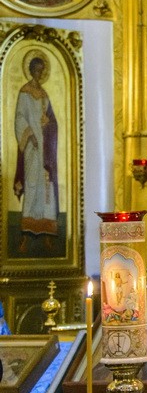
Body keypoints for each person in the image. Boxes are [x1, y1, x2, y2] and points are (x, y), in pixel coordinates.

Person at [14, 55, 59, 255]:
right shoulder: (24, 93)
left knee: (46, 187)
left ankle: (47, 234)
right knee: (32, 184)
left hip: (45, 149)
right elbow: (19, 118)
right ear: (31, 70)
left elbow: (53, 121)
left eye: (42, 71)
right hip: (32, 147)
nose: (39, 74)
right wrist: (30, 134)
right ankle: (26, 236)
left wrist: (49, 125)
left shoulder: (45, 95)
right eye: (36, 70)